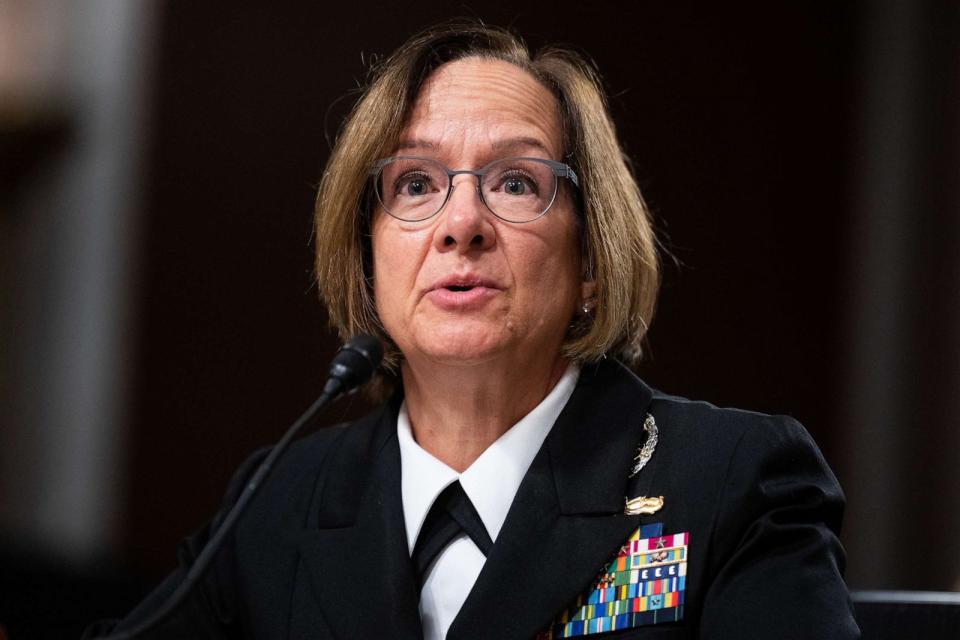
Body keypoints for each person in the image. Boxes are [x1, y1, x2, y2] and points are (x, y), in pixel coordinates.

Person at [87, 21, 860, 640]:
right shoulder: (280, 502)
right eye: (416, 183)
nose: (461, 224)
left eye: (516, 183)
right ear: (368, 254)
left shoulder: (730, 484)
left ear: (591, 260)